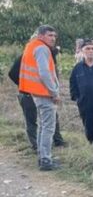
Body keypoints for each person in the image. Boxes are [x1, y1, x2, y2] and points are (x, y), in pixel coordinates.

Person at [18, 25, 60, 171]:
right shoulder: (42, 49)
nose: (53, 38)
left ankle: (43, 157)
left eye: (54, 36)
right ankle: (46, 160)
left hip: (36, 92)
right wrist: (54, 92)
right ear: (41, 36)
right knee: (48, 128)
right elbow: (44, 73)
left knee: (43, 126)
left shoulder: (31, 46)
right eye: (50, 35)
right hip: (44, 93)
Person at [8, 48, 65, 151]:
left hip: (45, 94)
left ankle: (57, 141)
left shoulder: (49, 56)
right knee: (31, 120)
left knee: (52, 118)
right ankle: (36, 146)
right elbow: (12, 73)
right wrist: (25, 86)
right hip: (28, 94)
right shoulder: (26, 56)